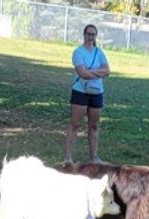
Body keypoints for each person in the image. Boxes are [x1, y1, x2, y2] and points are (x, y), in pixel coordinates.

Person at [66, 24, 110, 164]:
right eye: (88, 34)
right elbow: (82, 73)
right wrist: (98, 73)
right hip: (80, 92)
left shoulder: (100, 52)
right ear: (84, 35)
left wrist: (90, 72)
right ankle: (68, 158)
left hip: (97, 92)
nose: (90, 37)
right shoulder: (78, 52)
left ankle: (94, 157)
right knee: (75, 124)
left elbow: (107, 71)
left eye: (93, 34)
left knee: (94, 125)